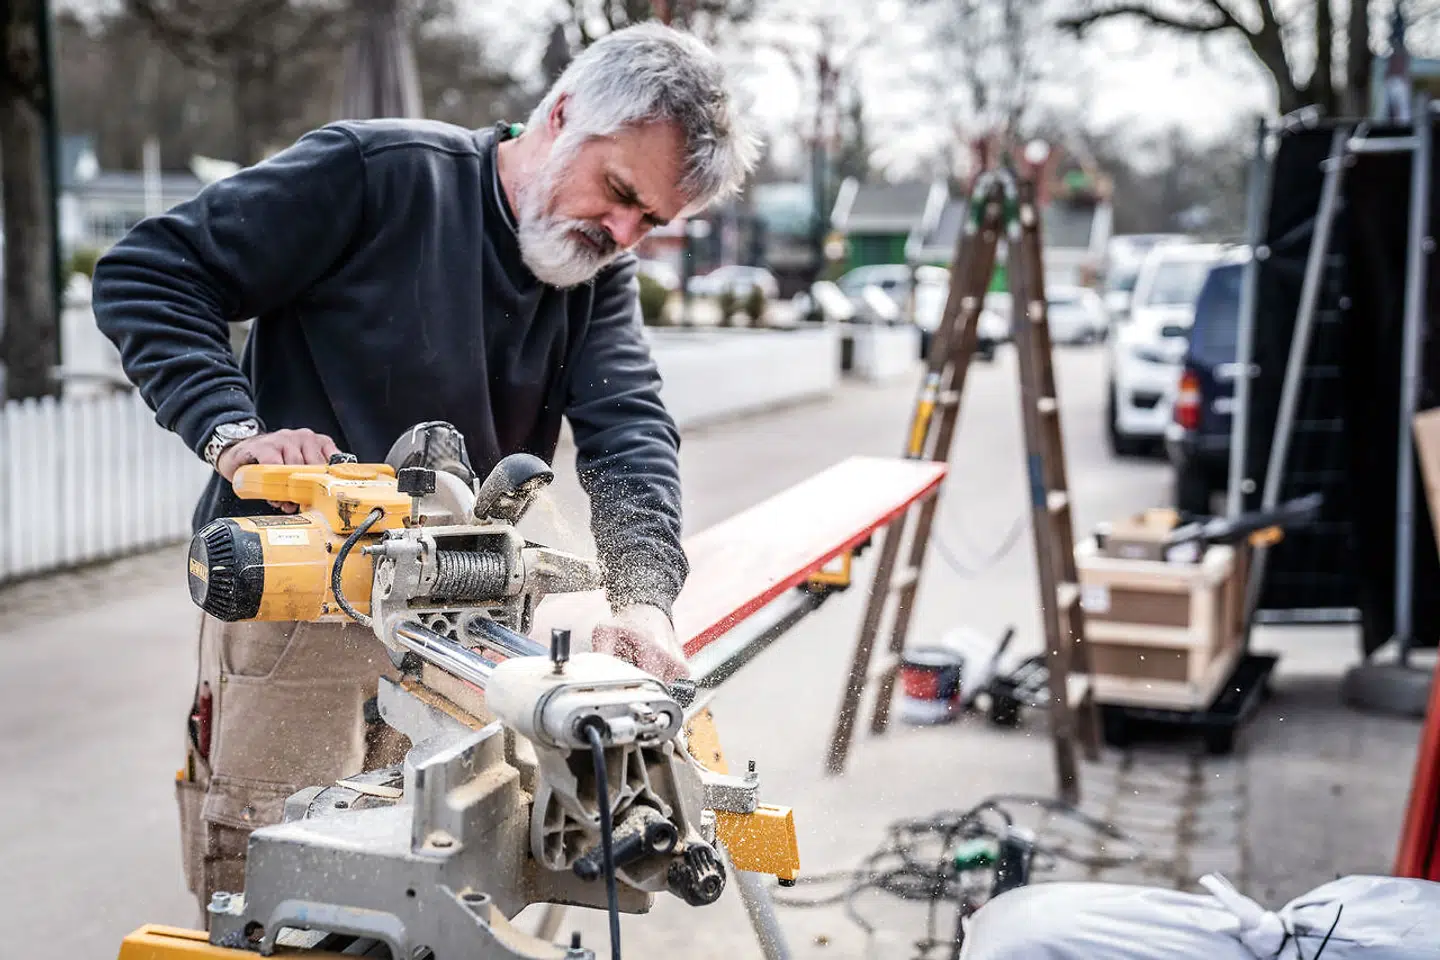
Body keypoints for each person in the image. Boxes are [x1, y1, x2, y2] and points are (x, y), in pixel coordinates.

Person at [91, 22, 758, 914]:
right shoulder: (379, 175)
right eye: (619, 192)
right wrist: (232, 431)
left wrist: (642, 598)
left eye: (651, 223)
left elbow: (628, 429)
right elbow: (150, 272)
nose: (623, 232)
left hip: (468, 633)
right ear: (563, 114)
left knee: (439, 892)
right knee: (280, 896)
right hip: (301, 617)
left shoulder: (597, 275)